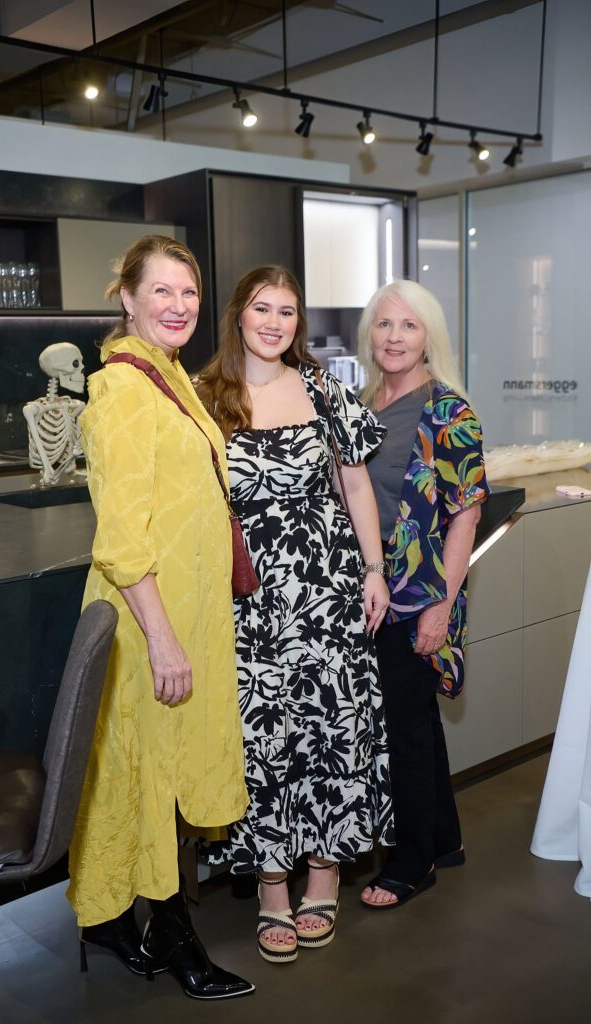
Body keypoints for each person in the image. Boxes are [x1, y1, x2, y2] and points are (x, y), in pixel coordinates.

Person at [67, 235, 254, 1000]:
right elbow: (120, 534)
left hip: (187, 615)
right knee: (150, 779)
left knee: (143, 774)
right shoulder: (120, 389)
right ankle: (173, 935)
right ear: (127, 297)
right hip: (149, 621)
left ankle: (107, 923)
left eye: (190, 293)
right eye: (162, 292)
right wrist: (164, 636)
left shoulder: (168, 375)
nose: (179, 306)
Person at [196, 265, 394, 963]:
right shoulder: (203, 398)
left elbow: (355, 482)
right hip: (246, 603)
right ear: (237, 317)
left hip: (328, 591)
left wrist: (373, 571)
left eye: (286, 311)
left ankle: (325, 874)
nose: (275, 322)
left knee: (329, 732)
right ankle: (272, 889)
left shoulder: (320, 387)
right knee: (262, 742)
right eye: (261, 308)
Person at [357, 280, 489, 910]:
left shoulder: (448, 410)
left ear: (429, 335)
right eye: (384, 325)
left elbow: (466, 512)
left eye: (408, 326)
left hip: (417, 595)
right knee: (416, 718)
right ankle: (444, 837)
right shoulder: (364, 401)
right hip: (373, 588)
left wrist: (441, 605)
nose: (394, 337)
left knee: (403, 725)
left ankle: (412, 864)